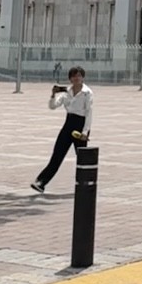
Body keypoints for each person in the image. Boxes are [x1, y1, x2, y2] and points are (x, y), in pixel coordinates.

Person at [30, 66, 93, 194]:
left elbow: (89, 113)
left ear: (83, 78)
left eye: (79, 76)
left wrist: (85, 133)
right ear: (70, 79)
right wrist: (53, 94)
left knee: (82, 158)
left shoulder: (87, 93)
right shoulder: (66, 92)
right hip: (68, 124)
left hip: (80, 126)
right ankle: (41, 182)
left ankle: (85, 184)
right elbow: (52, 106)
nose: (77, 78)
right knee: (57, 155)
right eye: (74, 76)